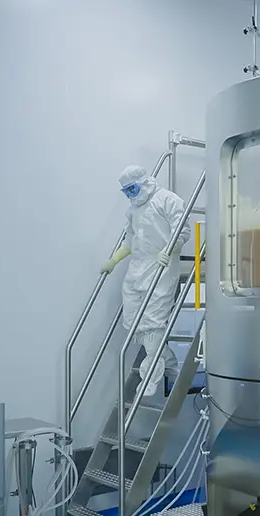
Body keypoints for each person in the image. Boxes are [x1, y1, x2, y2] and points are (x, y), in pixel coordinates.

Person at [101, 165, 191, 396]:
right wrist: (114, 260)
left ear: (144, 182)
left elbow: (182, 231)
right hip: (137, 267)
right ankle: (169, 362)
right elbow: (130, 240)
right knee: (133, 321)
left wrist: (170, 250)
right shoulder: (133, 210)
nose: (130, 195)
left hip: (161, 265)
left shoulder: (167, 200)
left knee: (153, 323)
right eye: (126, 192)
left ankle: (150, 378)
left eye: (132, 189)